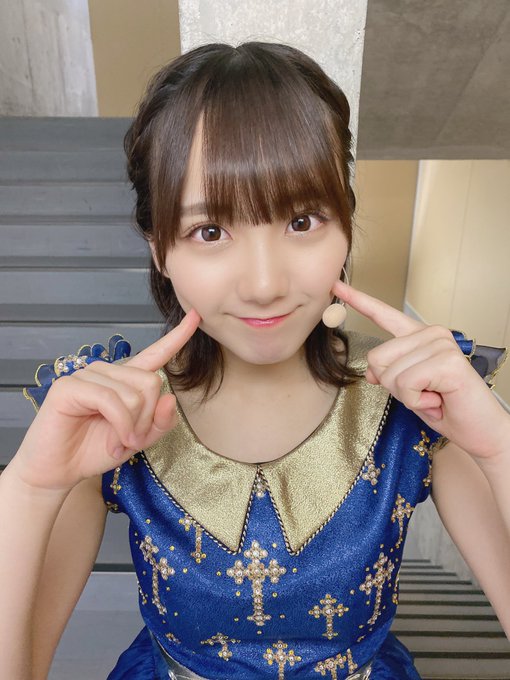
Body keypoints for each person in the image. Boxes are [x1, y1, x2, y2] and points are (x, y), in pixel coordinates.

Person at [1, 41, 509, 680]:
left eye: (302, 221)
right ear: (159, 250)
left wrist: (499, 445)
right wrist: (30, 488)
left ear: (345, 224)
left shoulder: (417, 403)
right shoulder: (109, 415)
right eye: (210, 232)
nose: (265, 284)